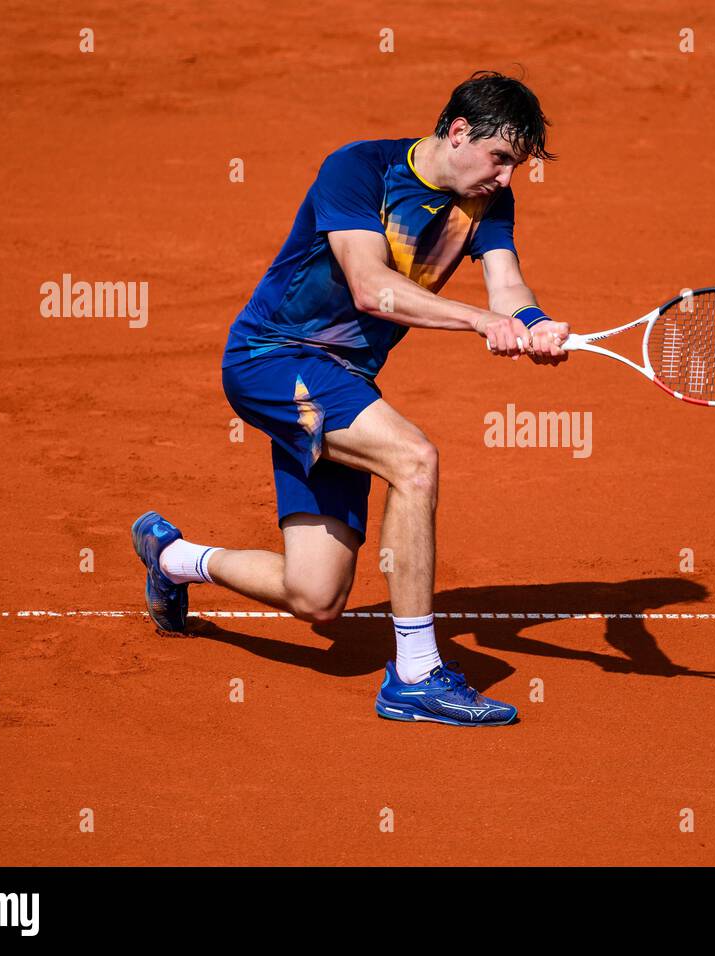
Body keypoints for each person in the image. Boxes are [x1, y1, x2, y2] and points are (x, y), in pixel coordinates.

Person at [131, 71, 567, 726]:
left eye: (517, 165)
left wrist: (531, 323)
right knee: (413, 460)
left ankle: (172, 559)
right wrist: (480, 322)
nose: (507, 178)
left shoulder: (488, 203)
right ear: (456, 133)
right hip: (273, 362)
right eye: (501, 158)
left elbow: (507, 285)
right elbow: (370, 287)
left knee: (317, 596)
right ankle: (415, 674)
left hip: (340, 385)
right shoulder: (359, 169)